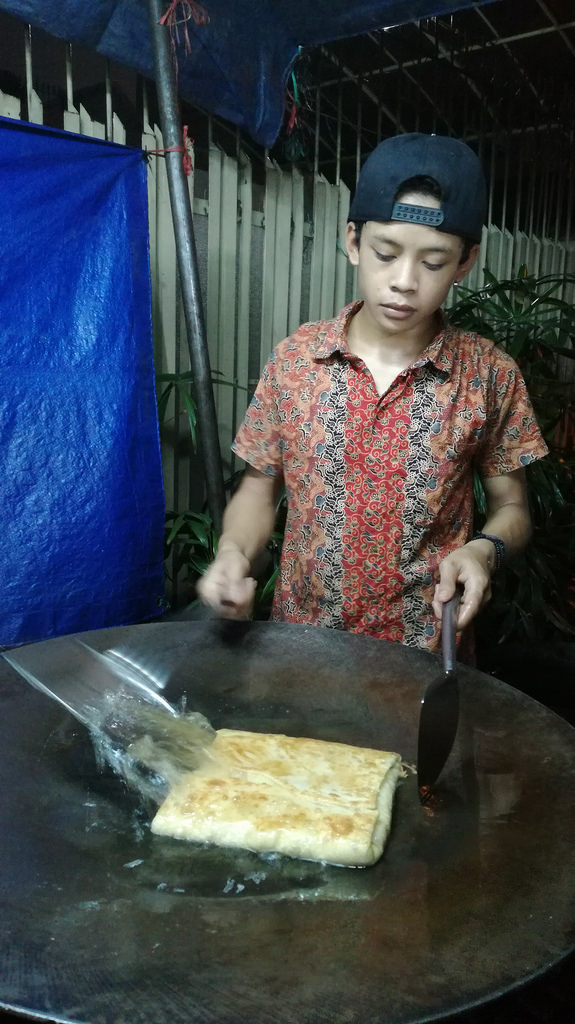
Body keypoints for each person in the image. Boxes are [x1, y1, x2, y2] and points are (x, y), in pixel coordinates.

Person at [197, 133, 548, 657]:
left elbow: (513, 507)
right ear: (354, 242)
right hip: (301, 649)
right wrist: (232, 554)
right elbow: (258, 490)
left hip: (424, 659)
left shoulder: (489, 375)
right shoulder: (296, 360)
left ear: (465, 262)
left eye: (433, 263)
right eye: (385, 253)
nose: (404, 281)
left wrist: (485, 549)